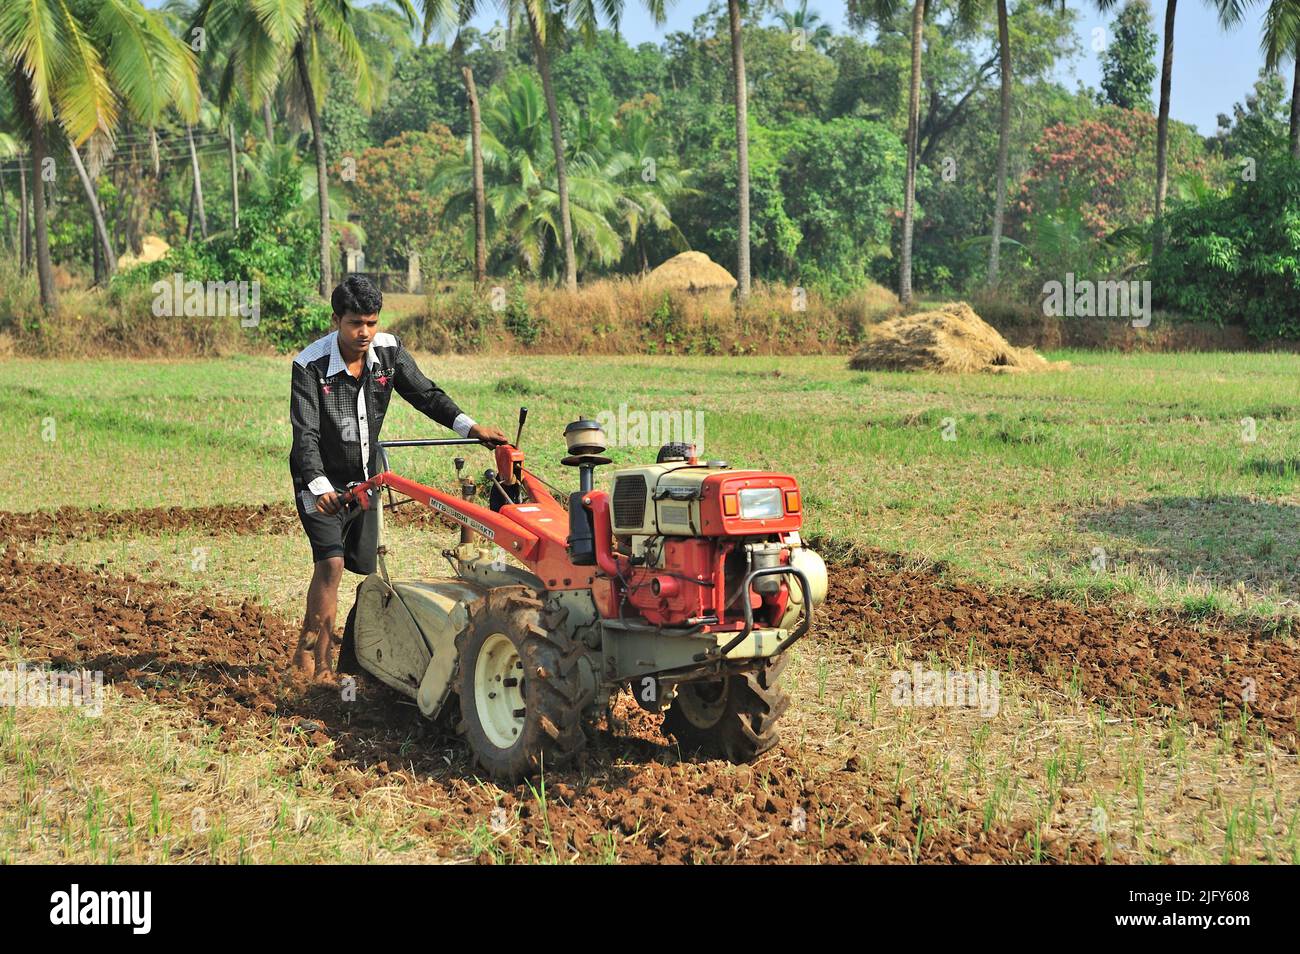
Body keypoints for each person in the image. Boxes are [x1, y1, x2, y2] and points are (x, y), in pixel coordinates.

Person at [288, 275, 507, 682]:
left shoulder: (388, 353)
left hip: (368, 479)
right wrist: (319, 487)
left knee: (364, 569)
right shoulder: (310, 365)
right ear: (336, 319)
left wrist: (471, 428)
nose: (365, 332)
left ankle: (347, 654)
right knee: (331, 563)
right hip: (320, 484)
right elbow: (307, 435)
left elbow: (426, 395)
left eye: (372, 322)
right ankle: (314, 662)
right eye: (355, 323)